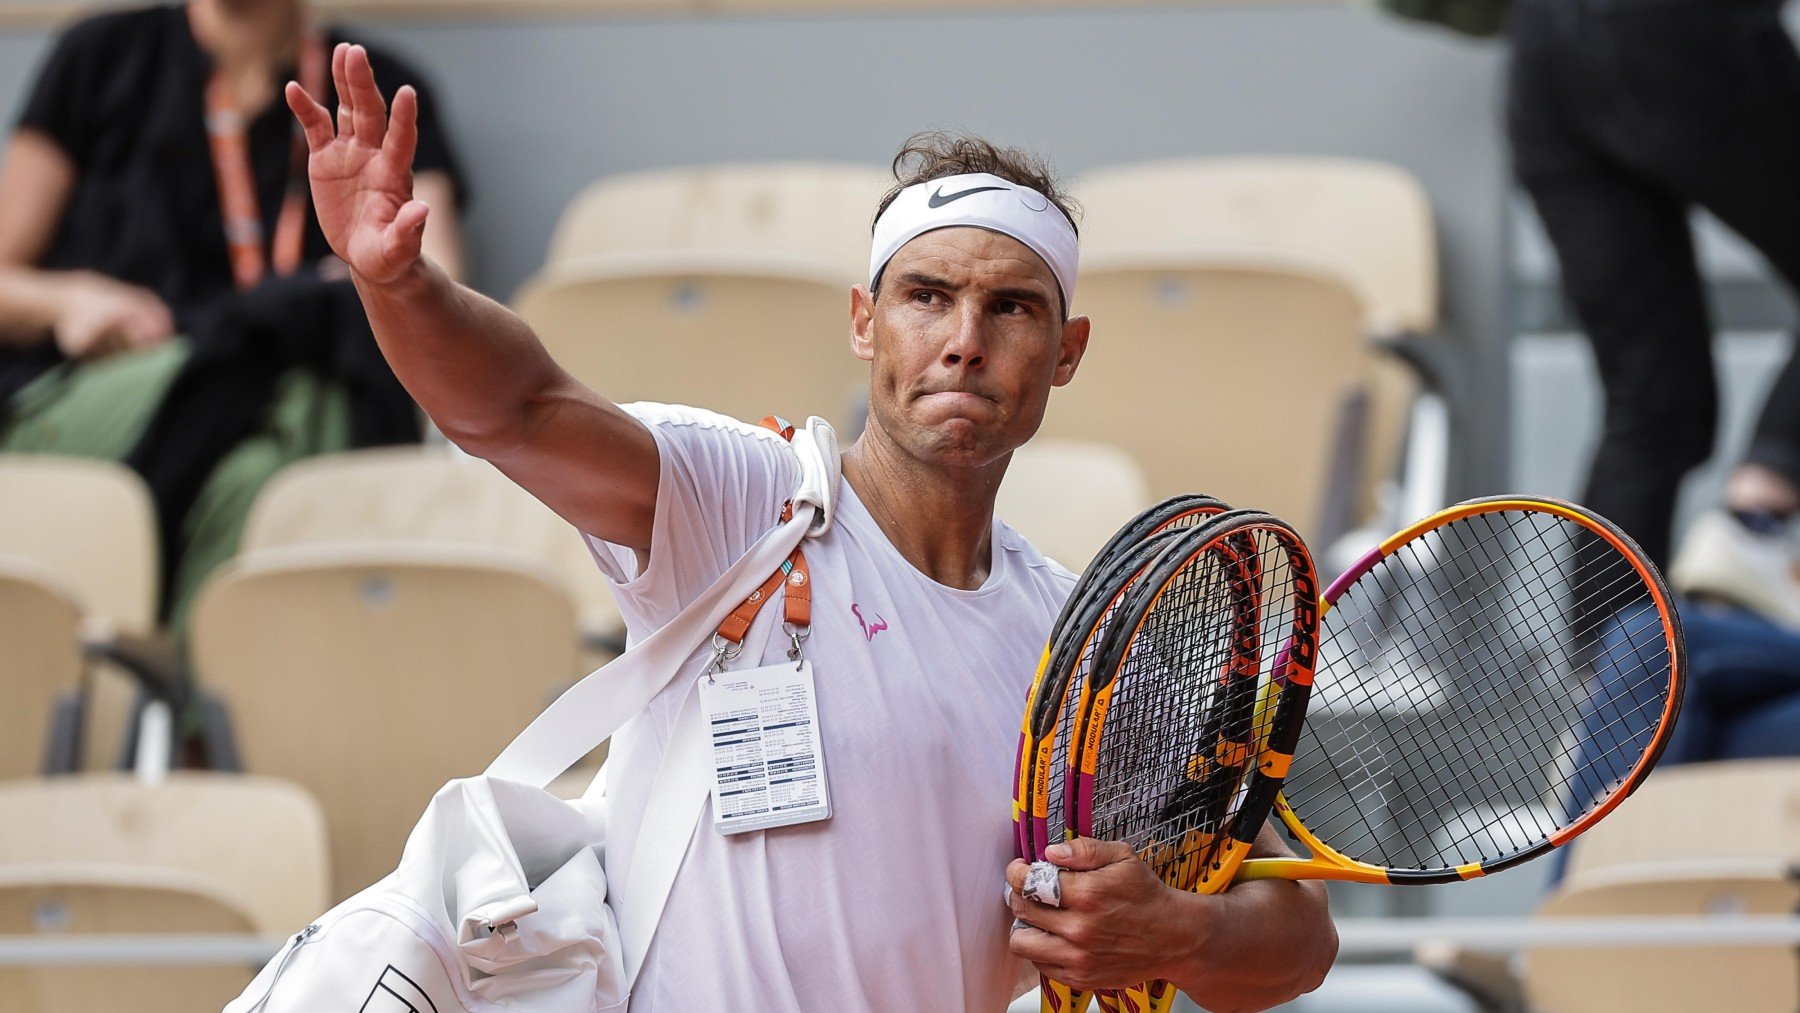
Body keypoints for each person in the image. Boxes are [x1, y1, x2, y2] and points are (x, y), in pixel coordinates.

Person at [286, 44, 1336, 1011]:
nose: (964, 341)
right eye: (927, 296)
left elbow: (1300, 933)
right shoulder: (743, 502)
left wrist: (1183, 929)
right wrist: (400, 285)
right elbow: (515, 408)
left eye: (1012, 308)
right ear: (863, 320)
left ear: (1068, 350)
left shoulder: (1088, 650)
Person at [0, 0, 467, 626]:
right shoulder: (102, 57)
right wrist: (69, 300)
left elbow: (440, 292)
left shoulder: (371, 87)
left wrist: (380, 269)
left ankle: (191, 711)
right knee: (316, 378)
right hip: (107, 382)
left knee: (259, 477)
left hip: (275, 415)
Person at [1505, 0, 1800, 628]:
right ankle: (1755, 525)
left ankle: (1610, 706)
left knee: (1652, 403)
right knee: (1653, 401)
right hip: (1678, 25)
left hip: (1543, 50)